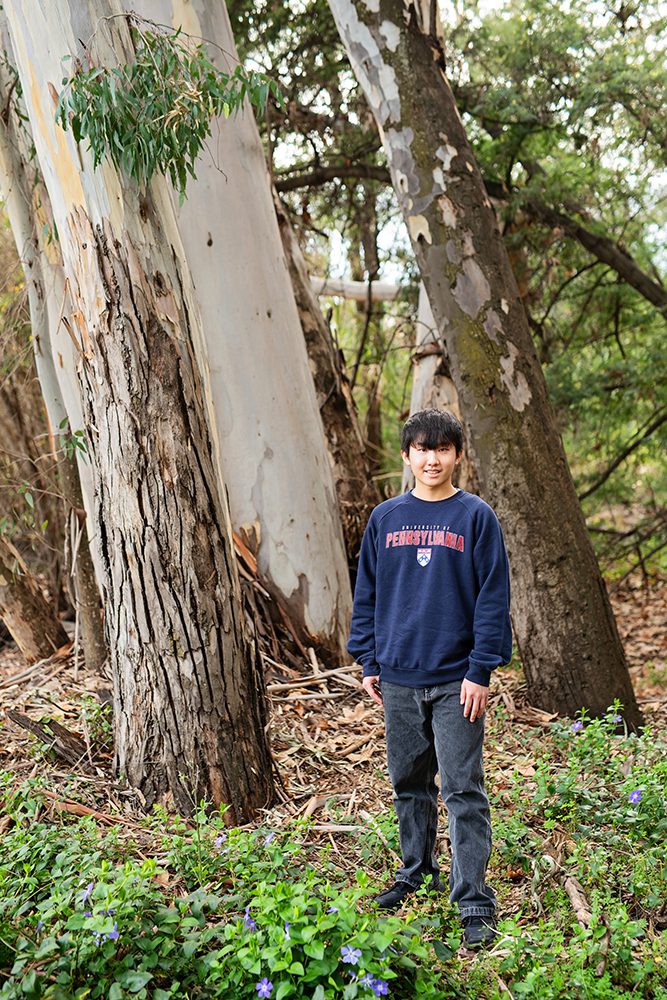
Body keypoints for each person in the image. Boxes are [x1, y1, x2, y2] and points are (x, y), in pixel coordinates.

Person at [348, 408, 511, 949]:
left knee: (463, 791)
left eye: (442, 449)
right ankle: (416, 873)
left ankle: (473, 904)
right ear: (407, 456)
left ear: (457, 455)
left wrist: (481, 670)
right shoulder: (385, 518)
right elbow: (367, 592)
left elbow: (493, 598)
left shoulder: (475, 517)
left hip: (456, 679)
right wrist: (368, 659)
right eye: (422, 449)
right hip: (397, 676)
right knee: (408, 783)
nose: (432, 459)